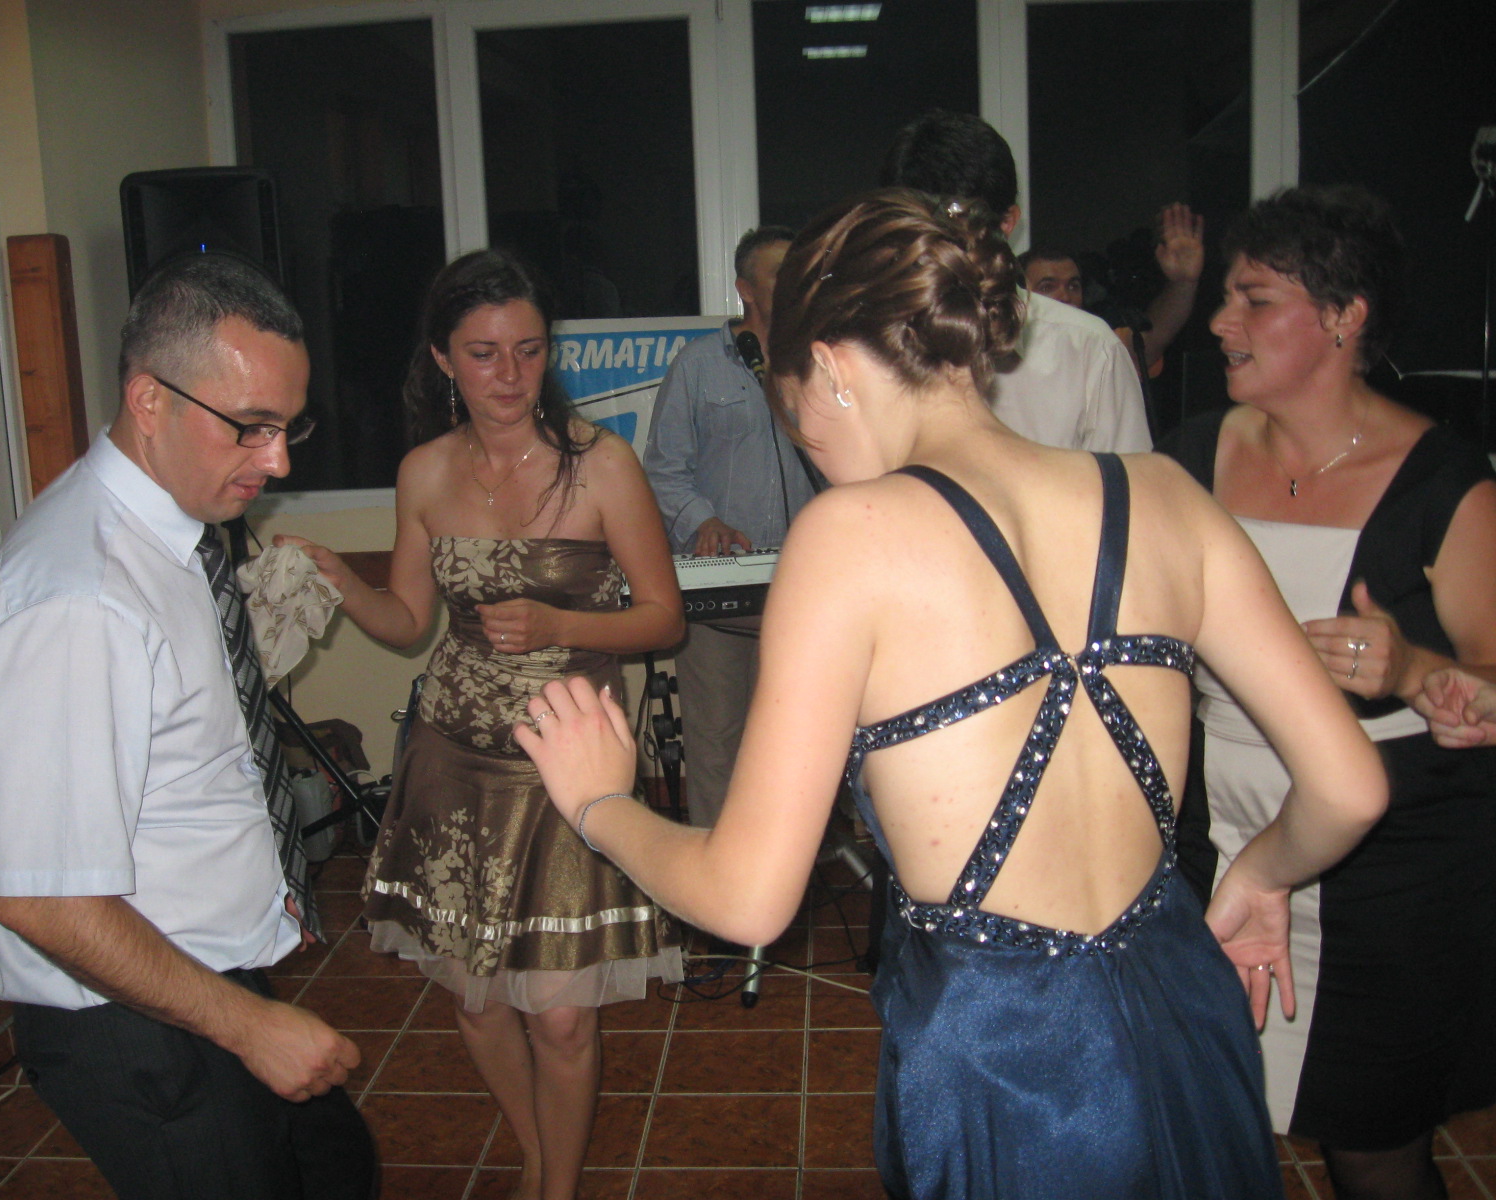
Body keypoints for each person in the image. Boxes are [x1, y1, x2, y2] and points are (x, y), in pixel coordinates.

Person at [513, 189, 1388, 1199]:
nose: (811, 452)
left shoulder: (849, 540)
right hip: (1184, 1010)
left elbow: (747, 897)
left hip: (1008, 1064)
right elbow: (1349, 787)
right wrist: (1263, 876)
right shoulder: (1164, 493)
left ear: (831, 367)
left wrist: (599, 802)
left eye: (796, 416)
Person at [0, 253, 376, 1199]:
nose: (280, 461)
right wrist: (249, 1026)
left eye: (291, 425)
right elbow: (46, 901)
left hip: (193, 974)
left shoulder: (173, 536)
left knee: (337, 1167)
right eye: (251, 427)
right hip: (125, 1016)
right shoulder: (78, 600)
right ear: (149, 400)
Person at [284, 248, 685, 1200]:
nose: (510, 375)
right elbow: (407, 622)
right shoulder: (424, 471)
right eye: (483, 354)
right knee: (475, 999)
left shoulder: (602, 465)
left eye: (530, 351)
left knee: (562, 1014)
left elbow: (664, 619)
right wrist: (341, 582)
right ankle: (538, 1155)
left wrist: (560, 625)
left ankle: (559, 1187)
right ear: (441, 359)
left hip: (568, 765)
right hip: (452, 760)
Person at [1159, 183, 1496, 1199]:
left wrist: (1414, 671)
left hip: (1390, 866)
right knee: (1208, 1116)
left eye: (1254, 300)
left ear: (1345, 318)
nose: (1221, 323)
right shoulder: (1190, 456)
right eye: (1225, 297)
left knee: (1371, 1144)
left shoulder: (1445, 482)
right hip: (1213, 834)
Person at [641, 225, 817, 827]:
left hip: (805, 590)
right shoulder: (697, 366)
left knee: (796, 743)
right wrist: (703, 522)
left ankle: (786, 862)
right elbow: (663, 469)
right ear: (745, 288)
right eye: (779, 274)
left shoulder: (823, 363)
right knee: (717, 742)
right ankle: (715, 865)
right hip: (719, 595)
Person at [881, 109, 1152, 453]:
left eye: (953, 232)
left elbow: (1130, 484)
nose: (938, 252)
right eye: (915, 231)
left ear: (1007, 222)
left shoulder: (1088, 351)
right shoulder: (864, 346)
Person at [1020, 201, 1205, 379]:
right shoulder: (1007, 352)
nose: (1065, 296)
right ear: (1020, 296)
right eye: (1047, 287)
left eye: (1073, 286)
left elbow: (1150, 343)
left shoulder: (1099, 344)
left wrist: (1183, 282)